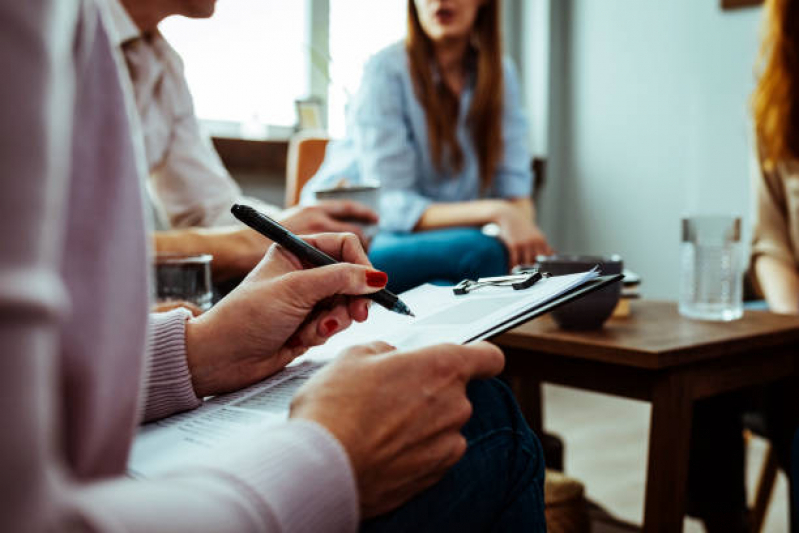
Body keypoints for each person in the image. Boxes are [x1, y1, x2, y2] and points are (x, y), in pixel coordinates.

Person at [0, 1, 547, 531]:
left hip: (171, 356)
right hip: (385, 234)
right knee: (485, 409)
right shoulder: (34, 22)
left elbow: (214, 211)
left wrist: (202, 349)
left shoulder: (153, 62)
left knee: (479, 375)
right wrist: (325, 461)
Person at [107, 0, 379, 282]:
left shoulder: (161, 64)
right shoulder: (63, 36)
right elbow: (73, 245)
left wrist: (298, 225)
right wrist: (249, 242)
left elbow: (208, 210)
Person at [301, 0, 553, 293]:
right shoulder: (386, 69)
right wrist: (499, 212)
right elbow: (392, 205)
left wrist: (522, 237)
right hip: (361, 236)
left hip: (437, 242)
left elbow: (515, 190)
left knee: (454, 287)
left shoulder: (499, 74)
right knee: (482, 254)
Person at [685, 1, 799, 531]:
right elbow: (771, 240)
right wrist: (791, 315)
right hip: (792, 310)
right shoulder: (777, 105)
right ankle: (725, 523)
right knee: (702, 368)